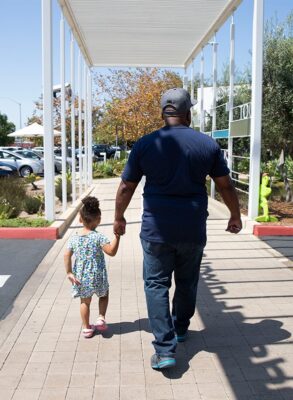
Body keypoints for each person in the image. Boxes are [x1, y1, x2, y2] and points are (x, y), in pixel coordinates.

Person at [114, 88, 242, 369]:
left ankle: (164, 349)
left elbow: (127, 186)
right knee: (187, 281)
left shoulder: (146, 144)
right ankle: (180, 328)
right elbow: (225, 185)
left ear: (163, 112)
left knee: (156, 284)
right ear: (188, 113)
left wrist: (119, 217)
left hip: (156, 230)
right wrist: (234, 215)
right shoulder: (206, 144)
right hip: (192, 228)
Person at [64, 196, 120, 338]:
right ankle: (101, 317)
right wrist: (117, 237)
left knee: (85, 302)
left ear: (80, 219)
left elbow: (66, 255)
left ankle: (87, 328)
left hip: (81, 277)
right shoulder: (99, 237)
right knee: (104, 295)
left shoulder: (74, 238)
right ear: (99, 220)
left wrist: (69, 272)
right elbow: (111, 252)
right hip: (98, 275)